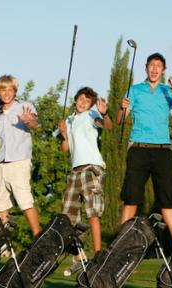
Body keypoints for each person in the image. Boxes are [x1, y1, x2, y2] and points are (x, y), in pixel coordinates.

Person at [116, 52, 172, 247]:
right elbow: (120, 120)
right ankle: (118, 247)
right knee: (131, 198)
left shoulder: (167, 91)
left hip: (162, 150)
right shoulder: (134, 90)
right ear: (146, 67)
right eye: (151, 65)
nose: (155, 68)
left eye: (158, 65)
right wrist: (122, 108)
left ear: (163, 70)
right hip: (138, 148)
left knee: (167, 200)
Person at [0, 75, 41, 236]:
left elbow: (35, 124)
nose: (6, 93)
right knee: (0, 205)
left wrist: (28, 121)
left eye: (10, 90)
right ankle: (5, 245)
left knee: (25, 201)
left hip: (19, 161)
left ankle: (39, 237)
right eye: (3, 90)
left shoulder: (25, 106)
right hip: (1, 163)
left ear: (15, 91)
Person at [58, 87, 112, 274]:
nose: (83, 103)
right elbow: (65, 149)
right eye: (81, 99)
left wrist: (104, 114)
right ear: (75, 100)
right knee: (68, 217)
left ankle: (98, 256)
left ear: (91, 104)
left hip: (91, 168)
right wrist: (64, 134)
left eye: (87, 101)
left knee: (92, 212)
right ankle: (79, 257)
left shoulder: (91, 114)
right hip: (74, 171)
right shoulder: (69, 120)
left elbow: (106, 126)